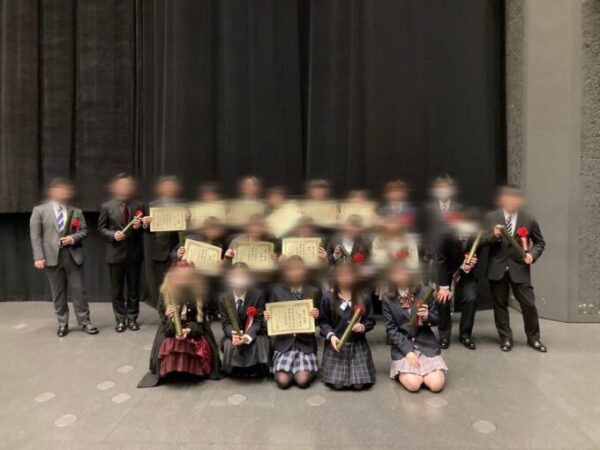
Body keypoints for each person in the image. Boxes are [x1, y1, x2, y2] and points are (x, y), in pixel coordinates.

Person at [29, 177, 98, 337]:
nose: (63, 193)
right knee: (58, 292)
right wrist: (38, 257)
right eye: (60, 190)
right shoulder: (39, 211)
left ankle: (85, 322)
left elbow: (83, 231)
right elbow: (35, 236)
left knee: (79, 291)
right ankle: (62, 323)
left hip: (73, 256)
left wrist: (72, 238)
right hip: (51, 257)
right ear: (52, 192)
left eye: (66, 190)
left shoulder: (76, 211)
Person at [484, 185, 547, 352]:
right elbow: (481, 241)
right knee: (500, 305)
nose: (510, 201)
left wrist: (532, 255)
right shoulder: (491, 217)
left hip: (520, 269)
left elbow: (540, 243)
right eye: (507, 198)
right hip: (497, 269)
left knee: (529, 304)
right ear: (502, 200)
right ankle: (506, 338)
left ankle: (534, 338)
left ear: (520, 201)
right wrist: (494, 236)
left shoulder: (529, 219)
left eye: (514, 198)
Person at [138, 263, 221, 387]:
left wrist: (190, 330)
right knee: (171, 343)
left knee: (194, 343)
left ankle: (191, 371)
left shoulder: (199, 294)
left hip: (195, 329)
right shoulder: (165, 294)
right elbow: (165, 324)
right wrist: (169, 317)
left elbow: (201, 322)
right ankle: (173, 371)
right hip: (170, 329)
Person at [383, 262, 446, 393]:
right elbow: (391, 330)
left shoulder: (425, 291)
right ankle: (409, 372)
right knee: (414, 385)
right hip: (403, 346)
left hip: (426, 344)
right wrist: (407, 351)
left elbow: (436, 319)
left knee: (436, 385)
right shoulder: (387, 298)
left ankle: (423, 373)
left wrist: (427, 317)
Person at [97, 173, 144, 332]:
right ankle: (120, 319)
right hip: (115, 253)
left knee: (133, 289)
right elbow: (101, 228)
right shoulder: (107, 206)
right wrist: (113, 235)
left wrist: (140, 226)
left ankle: (132, 318)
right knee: (117, 289)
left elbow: (147, 228)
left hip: (134, 253)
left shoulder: (139, 205)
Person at [319, 261, 376, 390]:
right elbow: (323, 322)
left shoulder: (363, 296)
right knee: (338, 385)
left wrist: (363, 327)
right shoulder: (328, 297)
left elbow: (370, 321)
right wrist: (331, 336)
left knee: (359, 385)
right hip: (337, 344)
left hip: (357, 343)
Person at [266, 256, 321, 389]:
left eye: (299, 269)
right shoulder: (277, 290)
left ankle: (303, 369)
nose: (295, 273)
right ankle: (290, 369)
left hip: (305, 343)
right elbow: (271, 319)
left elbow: (322, 319)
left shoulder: (313, 291)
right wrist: (268, 317)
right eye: (291, 270)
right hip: (284, 343)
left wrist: (317, 315)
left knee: (302, 381)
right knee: (282, 381)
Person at [435, 208, 481, 349]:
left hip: (465, 270)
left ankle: (465, 335)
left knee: (471, 298)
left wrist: (467, 266)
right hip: (446, 267)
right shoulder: (444, 233)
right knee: (443, 299)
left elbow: (477, 255)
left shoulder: (477, 235)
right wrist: (444, 288)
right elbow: (441, 260)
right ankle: (444, 336)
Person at [218, 263, 270, 376]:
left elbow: (258, 321)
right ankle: (235, 368)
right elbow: (225, 323)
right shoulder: (223, 298)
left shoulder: (258, 294)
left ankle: (254, 367)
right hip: (235, 332)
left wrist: (247, 336)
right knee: (229, 343)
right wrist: (233, 334)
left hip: (253, 331)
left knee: (258, 341)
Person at [143, 176, 184, 307]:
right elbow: (146, 230)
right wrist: (146, 223)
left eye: (171, 186)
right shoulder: (152, 205)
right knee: (161, 284)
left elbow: (189, 229)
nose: (169, 189)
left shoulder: (183, 205)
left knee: (179, 283)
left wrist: (189, 219)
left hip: (179, 248)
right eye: (166, 186)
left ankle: (179, 311)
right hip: (160, 250)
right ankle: (163, 311)